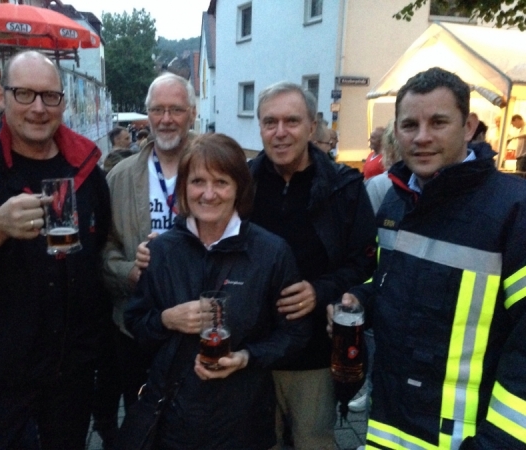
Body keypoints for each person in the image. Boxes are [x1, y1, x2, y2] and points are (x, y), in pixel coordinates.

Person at [0, 50, 111, 450]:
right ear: (1, 94)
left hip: (69, 373)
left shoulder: (87, 171)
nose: (39, 108)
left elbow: (98, 254)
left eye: (50, 96)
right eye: (25, 94)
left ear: (63, 101)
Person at [337, 67, 526, 449]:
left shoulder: (514, 210)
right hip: (390, 427)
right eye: (410, 125)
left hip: (467, 439)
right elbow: (391, 280)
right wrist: (362, 296)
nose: (422, 138)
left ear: (469, 126)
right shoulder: (397, 199)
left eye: (438, 122)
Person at [122, 133, 312, 449]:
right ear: (183, 187)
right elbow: (137, 323)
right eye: (198, 181)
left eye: (221, 182)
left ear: (239, 188)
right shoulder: (163, 251)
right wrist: (166, 319)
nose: (208, 194)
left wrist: (246, 357)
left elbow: (295, 335)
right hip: (173, 421)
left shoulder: (271, 253)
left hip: (242, 420)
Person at [249, 82, 377, 450]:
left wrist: (320, 290)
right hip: (255, 349)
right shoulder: (243, 183)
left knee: (313, 442)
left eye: (292, 121)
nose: (280, 131)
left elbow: (365, 265)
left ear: (311, 126)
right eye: (270, 122)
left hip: (316, 355)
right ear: (259, 127)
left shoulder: (344, 188)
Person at [97, 72, 197, 448]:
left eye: (176, 109)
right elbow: (103, 248)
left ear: (191, 113)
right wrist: (129, 271)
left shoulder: (214, 166)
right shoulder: (119, 176)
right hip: (135, 325)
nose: (166, 118)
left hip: (196, 319)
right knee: (142, 422)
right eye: (158, 109)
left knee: (193, 422)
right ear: (147, 115)